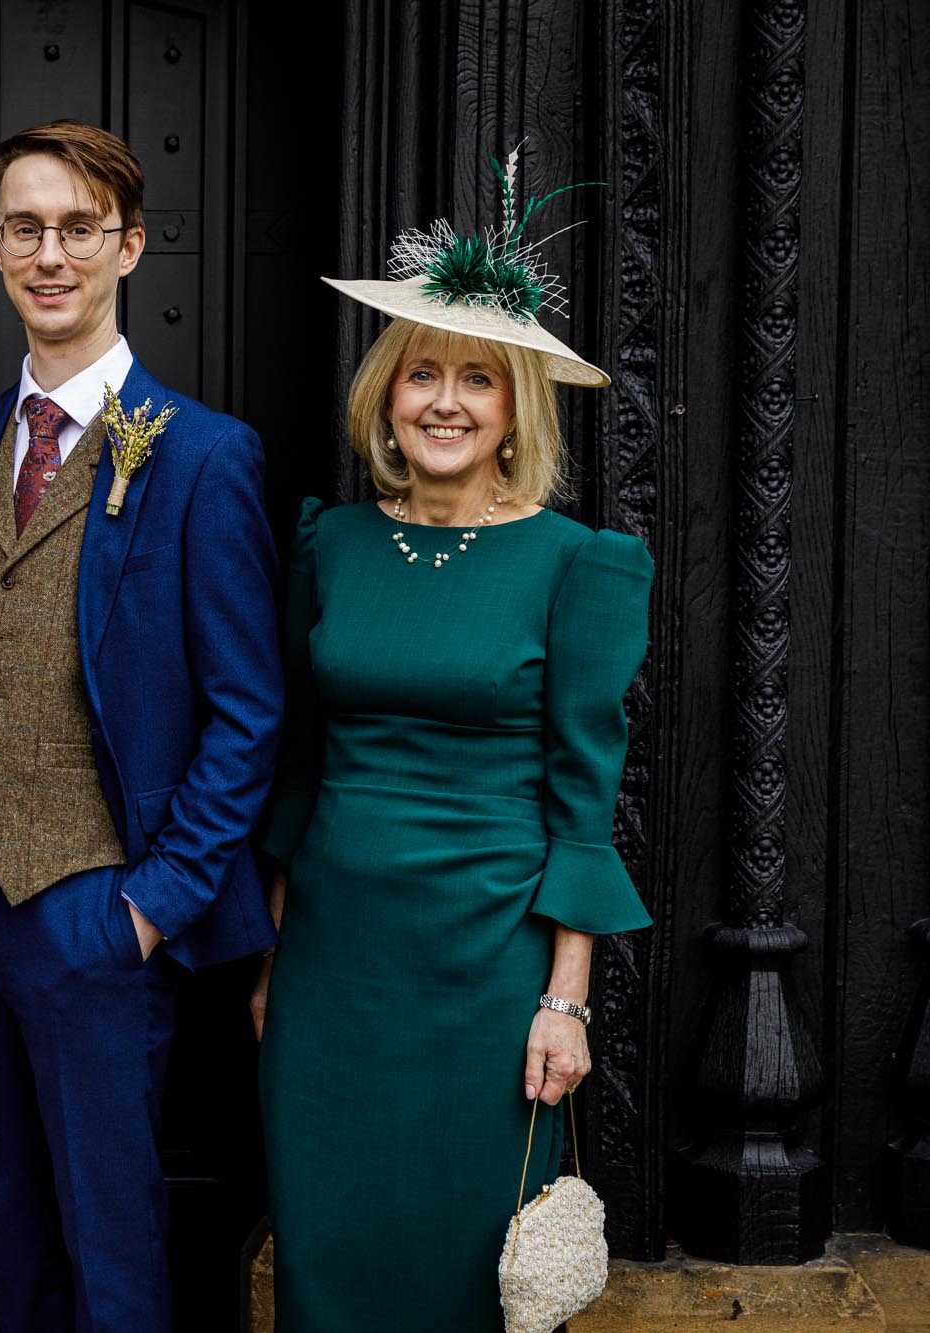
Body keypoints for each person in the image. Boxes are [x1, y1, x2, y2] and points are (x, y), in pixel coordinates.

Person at [251, 159, 655, 1330]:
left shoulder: (574, 564)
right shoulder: (329, 544)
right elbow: (301, 762)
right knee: (326, 1262)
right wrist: (275, 960)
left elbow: (584, 797)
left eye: (475, 380)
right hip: (333, 970)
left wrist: (563, 1003)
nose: (442, 400)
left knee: (466, 1276)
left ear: (513, 409)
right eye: (419, 372)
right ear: (383, 397)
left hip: (487, 975)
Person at [0, 120, 283, 1332]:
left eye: (78, 228)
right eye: (25, 227)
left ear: (127, 245)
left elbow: (246, 710)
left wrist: (152, 903)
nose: (49, 253)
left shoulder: (204, 455)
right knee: (5, 1238)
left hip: (96, 908)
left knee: (110, 1248)